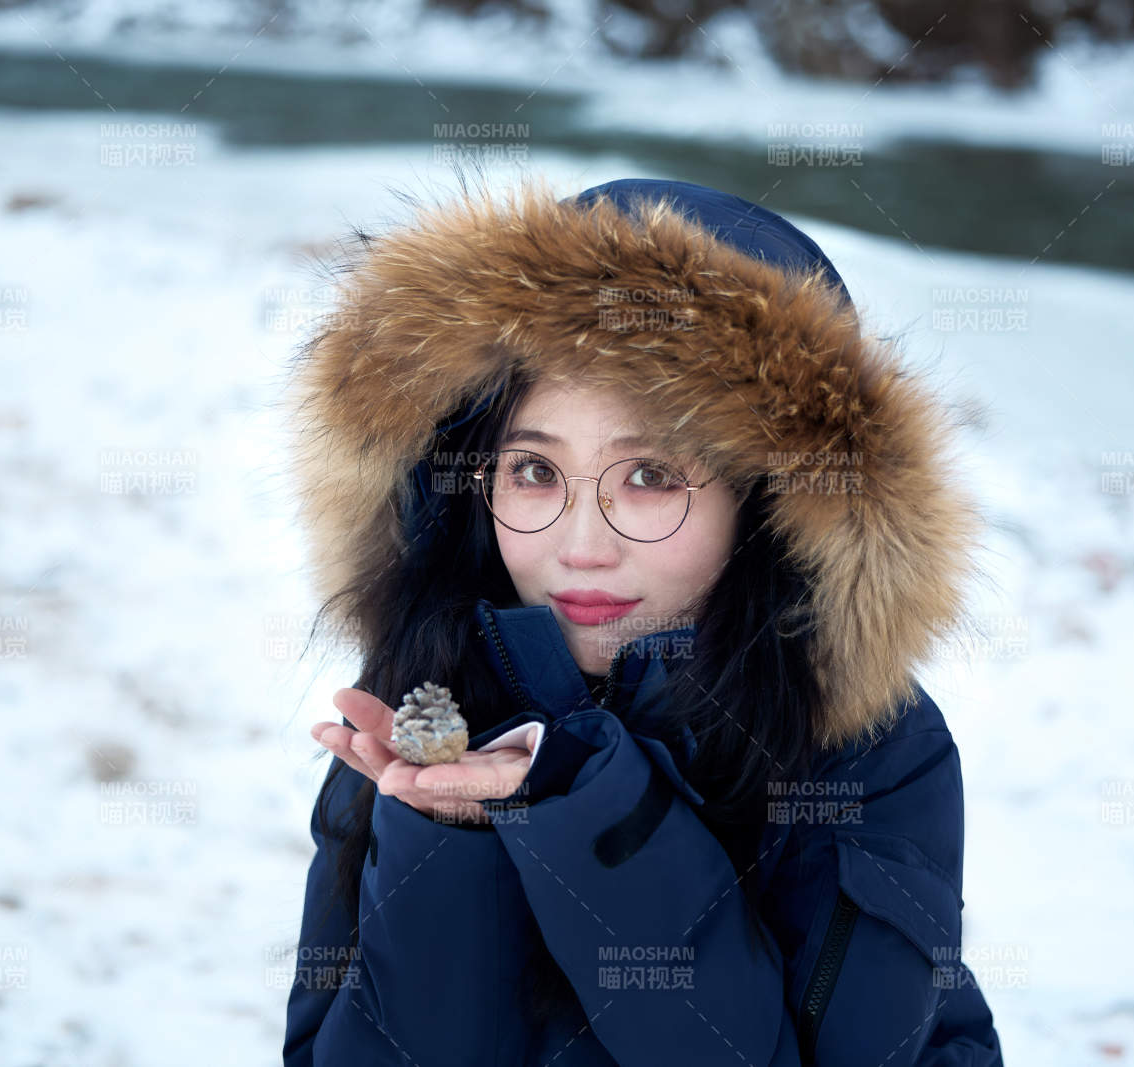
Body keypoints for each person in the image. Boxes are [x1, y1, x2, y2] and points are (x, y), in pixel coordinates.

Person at [281, 174, 1004, 1066]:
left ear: (767, 502)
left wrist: (595, 809)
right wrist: (452, 842)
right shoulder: (425, 700)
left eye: (652, 477)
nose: (582, 547)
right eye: (536, 473)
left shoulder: (871, 753)